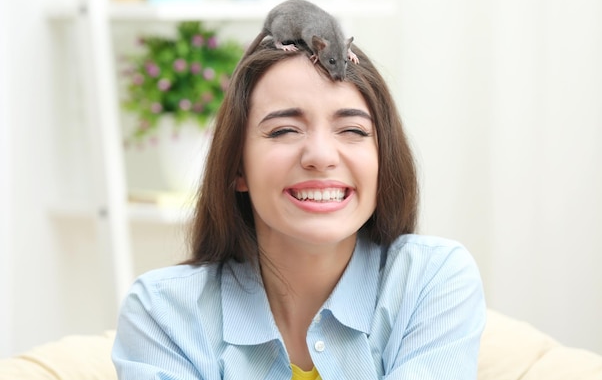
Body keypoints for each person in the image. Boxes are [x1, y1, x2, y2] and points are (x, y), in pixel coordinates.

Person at [112, 29, 486, 379]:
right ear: (237, 167)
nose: (321, 156)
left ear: (382, 160)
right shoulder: (163, 311)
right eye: (284, 130)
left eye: (353, 130)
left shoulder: (431, 280)